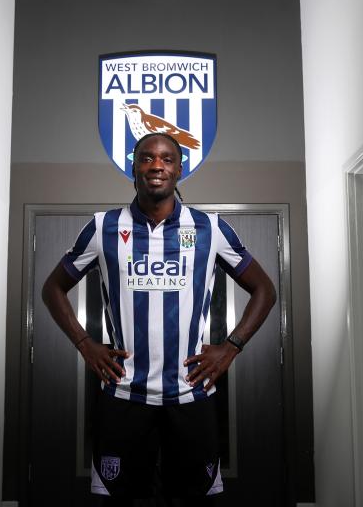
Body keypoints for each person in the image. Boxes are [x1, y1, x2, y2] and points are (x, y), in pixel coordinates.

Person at [41, 132, 277, 506]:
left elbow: (265, 289)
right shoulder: (103, 228)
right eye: (147, 158)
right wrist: (85, 344)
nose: (156, 166)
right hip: (124, 397)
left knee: (193, 500)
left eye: (166, 159)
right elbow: (52, 287)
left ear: (179, 169)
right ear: (132, 167)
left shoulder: (209, 228)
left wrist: (230, 348)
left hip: (190, 395)